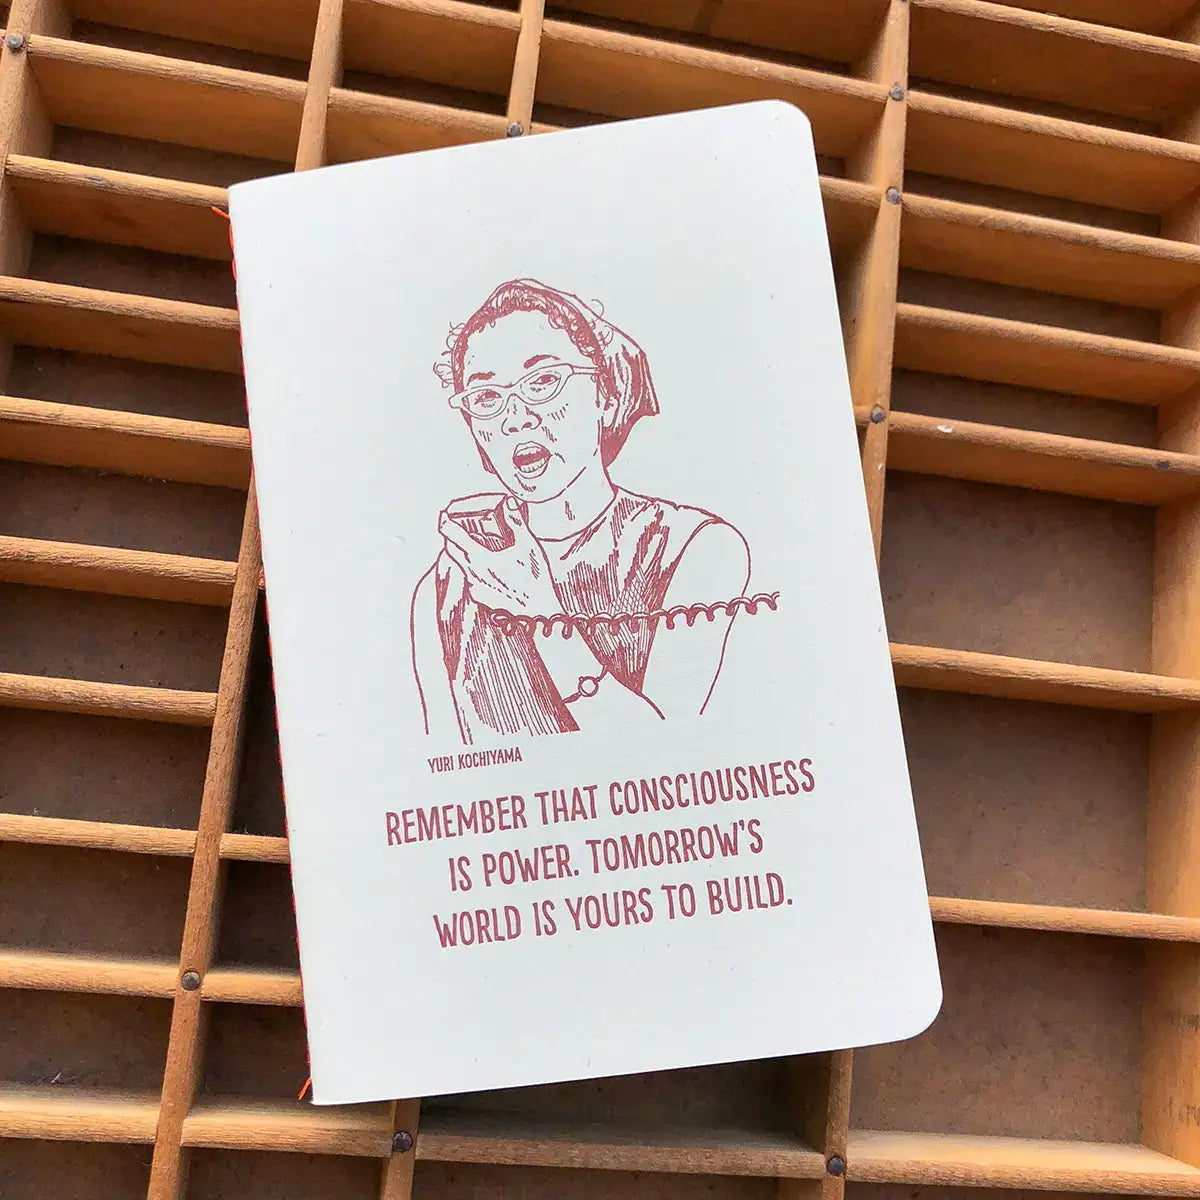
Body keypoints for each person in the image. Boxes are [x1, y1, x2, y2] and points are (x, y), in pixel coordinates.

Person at [411, 278, 763, 745]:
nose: (515, 419)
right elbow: (446, 771)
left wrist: (537, 608)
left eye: (543, 382)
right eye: (487, 399)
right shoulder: (445, 586)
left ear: (604, 395)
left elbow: (671, 755)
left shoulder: (696, 548)